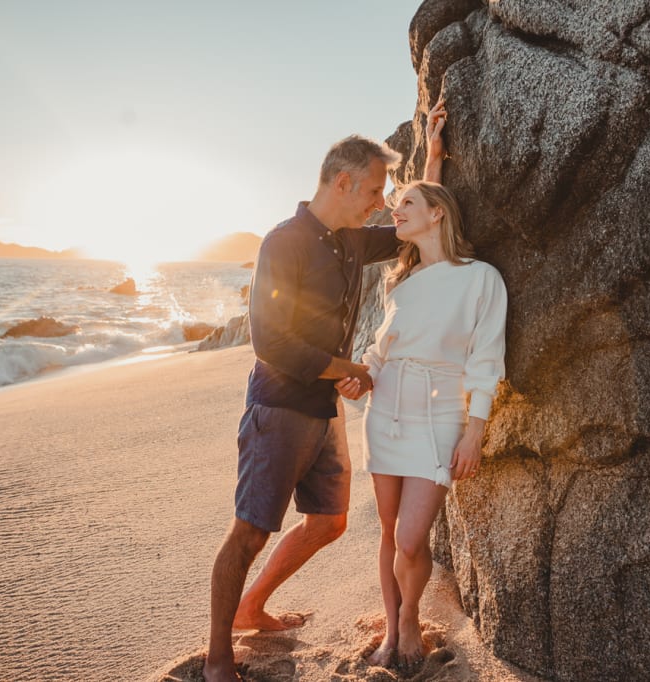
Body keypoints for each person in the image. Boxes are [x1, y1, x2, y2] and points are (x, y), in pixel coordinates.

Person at [203, 101, 448, 682]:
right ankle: (217, 659)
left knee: (329, 522)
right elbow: (269, 341)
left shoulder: (351, 241)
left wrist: (433, 156)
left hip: (323, 410)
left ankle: (251, 606)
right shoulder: (283, 242)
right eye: (373, 190)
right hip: (279, 408)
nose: (379, 202)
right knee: (250, 531)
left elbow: (415, 225)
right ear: (343, 181)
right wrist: (348, 367)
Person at [336, 180, 508, 668]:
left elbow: (487, 359)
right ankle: (392, 631)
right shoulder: (401, 285)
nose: (395, 212)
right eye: (395, 205)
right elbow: (379, 350)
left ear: (438, 214)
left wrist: (474, 430)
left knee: (412, 538)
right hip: (386, 408)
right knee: (390, 532)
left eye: (407, 203)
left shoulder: (481, 278)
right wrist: (361, 379)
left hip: (440, 413)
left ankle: (409, 617)